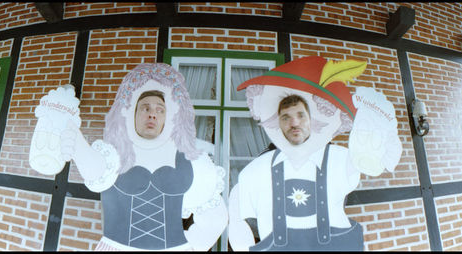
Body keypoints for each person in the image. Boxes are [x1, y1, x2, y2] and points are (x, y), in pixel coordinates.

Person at [228, 56, 399, 251]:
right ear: (277, 124)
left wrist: (379, 122)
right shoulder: (259, 168)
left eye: (301, 115)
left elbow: (377, 159)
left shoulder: (341, 159)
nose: (294, 123)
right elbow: (237, 219)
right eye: (286, 117)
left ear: (312, 120)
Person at [59, 63, 227, 251]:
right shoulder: (113, 153)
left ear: (170, 116)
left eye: (160, 110)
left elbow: (216, 219)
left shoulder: (190, 159)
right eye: (145, 108)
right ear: (131, 113)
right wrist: (75, 140)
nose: (152, 115)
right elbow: (94, 172)